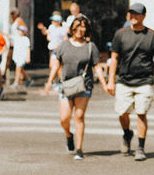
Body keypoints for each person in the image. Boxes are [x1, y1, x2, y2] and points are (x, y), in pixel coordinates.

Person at [106, 3, 154, 161]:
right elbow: (114, 58)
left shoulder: (152, 36)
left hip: (145, 80)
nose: (133, 16)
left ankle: (140, 147)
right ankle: (127, 133)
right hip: (124, 80)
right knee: (122, 113)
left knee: (141, 113)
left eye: (136, 14)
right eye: (131, 13)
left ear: (144, 16)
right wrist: (110, 81)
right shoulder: (120, 34)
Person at [44, 14, 108, 160]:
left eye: (83, 26)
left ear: (87, 29)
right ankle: (68, 135)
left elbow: (97, 67)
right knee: (64, 118)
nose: (80, 29)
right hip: (66, 85)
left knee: (79, 116)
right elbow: (56, 64)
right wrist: (49, 81)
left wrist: (105, 84)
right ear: (72, 28)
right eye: (78, 26)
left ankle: (79, 148)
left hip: (84, 85)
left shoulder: (90, 46)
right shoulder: (64, 45)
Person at [4, 8, 26, 78]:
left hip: (17, 43)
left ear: (16, 14)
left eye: (13, 14)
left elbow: (24, 30)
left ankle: (22, 77)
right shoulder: (14, 21)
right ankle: (5, 73)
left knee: (17, 60)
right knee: (9, 58)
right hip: (13, 42)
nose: (11, 15)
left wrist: (20, 39)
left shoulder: (19, 20)